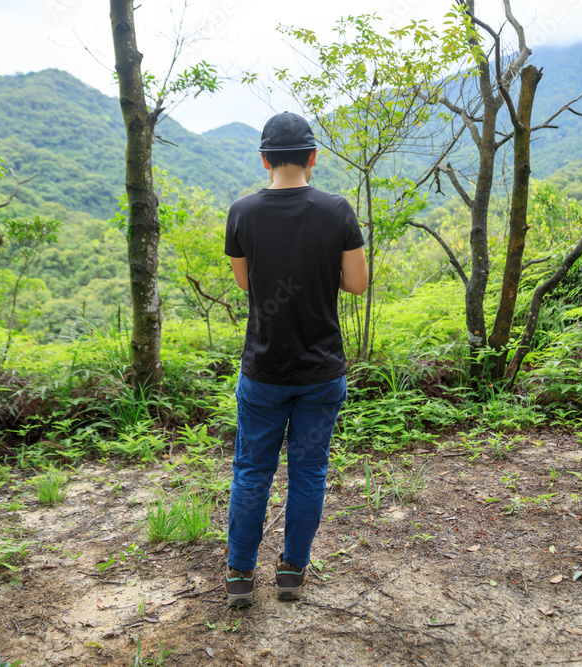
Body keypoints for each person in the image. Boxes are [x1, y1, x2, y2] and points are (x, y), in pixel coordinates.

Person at [223, 111, 368, 607]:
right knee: (308, 473)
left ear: (264, 159)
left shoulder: (242, 212)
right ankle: (291, 571)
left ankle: (240, 574)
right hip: (321, 370)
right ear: (312, 158)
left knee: (251, 471)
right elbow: (357, 283)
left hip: (263, 371)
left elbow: (246, 284)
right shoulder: (337, 211)